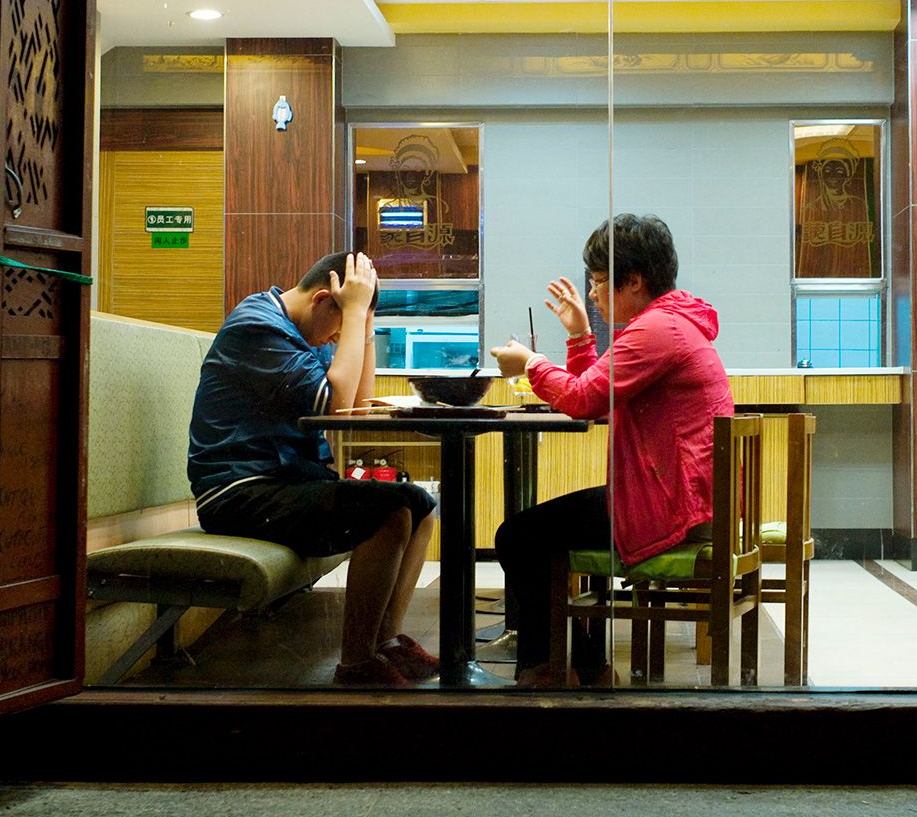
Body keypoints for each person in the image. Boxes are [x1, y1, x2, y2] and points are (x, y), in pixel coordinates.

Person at [488, 214, 734, 686]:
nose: (595, 292)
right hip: (678, 496)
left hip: (671, 505)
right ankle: (580, 667)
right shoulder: (671, 321)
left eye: (600, 281)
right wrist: (580, 332)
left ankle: (559, 669)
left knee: (520, 536)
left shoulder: (657, 330)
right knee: (531, 532)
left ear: (635, 281)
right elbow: (596, 395)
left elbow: (581, 399)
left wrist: (531, 363)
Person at [187, 250, 439, 686]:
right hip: (237, 490)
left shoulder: (302, 333)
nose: (334, 340)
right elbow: (340, 402)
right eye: (337, 329)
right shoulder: (258, 325)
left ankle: (386, 643)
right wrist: (355, 312)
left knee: (420, 504)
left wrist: (364, 321)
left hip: (282, 481)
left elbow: (355, 406)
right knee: (389, 514)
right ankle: (357, 666)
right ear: (323, 299)